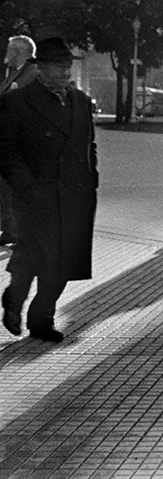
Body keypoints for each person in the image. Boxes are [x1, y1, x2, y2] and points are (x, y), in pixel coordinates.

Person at [0, 37, 97, 342]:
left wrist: (92, 177)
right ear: (40, 68)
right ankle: (15, 299)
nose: (64, 72)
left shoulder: (80, 102)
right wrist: (24, 184)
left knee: (65, 262)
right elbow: (5, 151)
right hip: (35, 194)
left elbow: (88, 145)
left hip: (75, 193)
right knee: (33, 254)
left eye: (67, 66)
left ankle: (42, 317)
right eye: (57, 66)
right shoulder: (17, 102)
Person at [1, 35, 38, 247]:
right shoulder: (15, 73)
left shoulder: (33, 74)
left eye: (8, 50)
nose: (6, 54)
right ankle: (10, 230)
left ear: (16, 52)